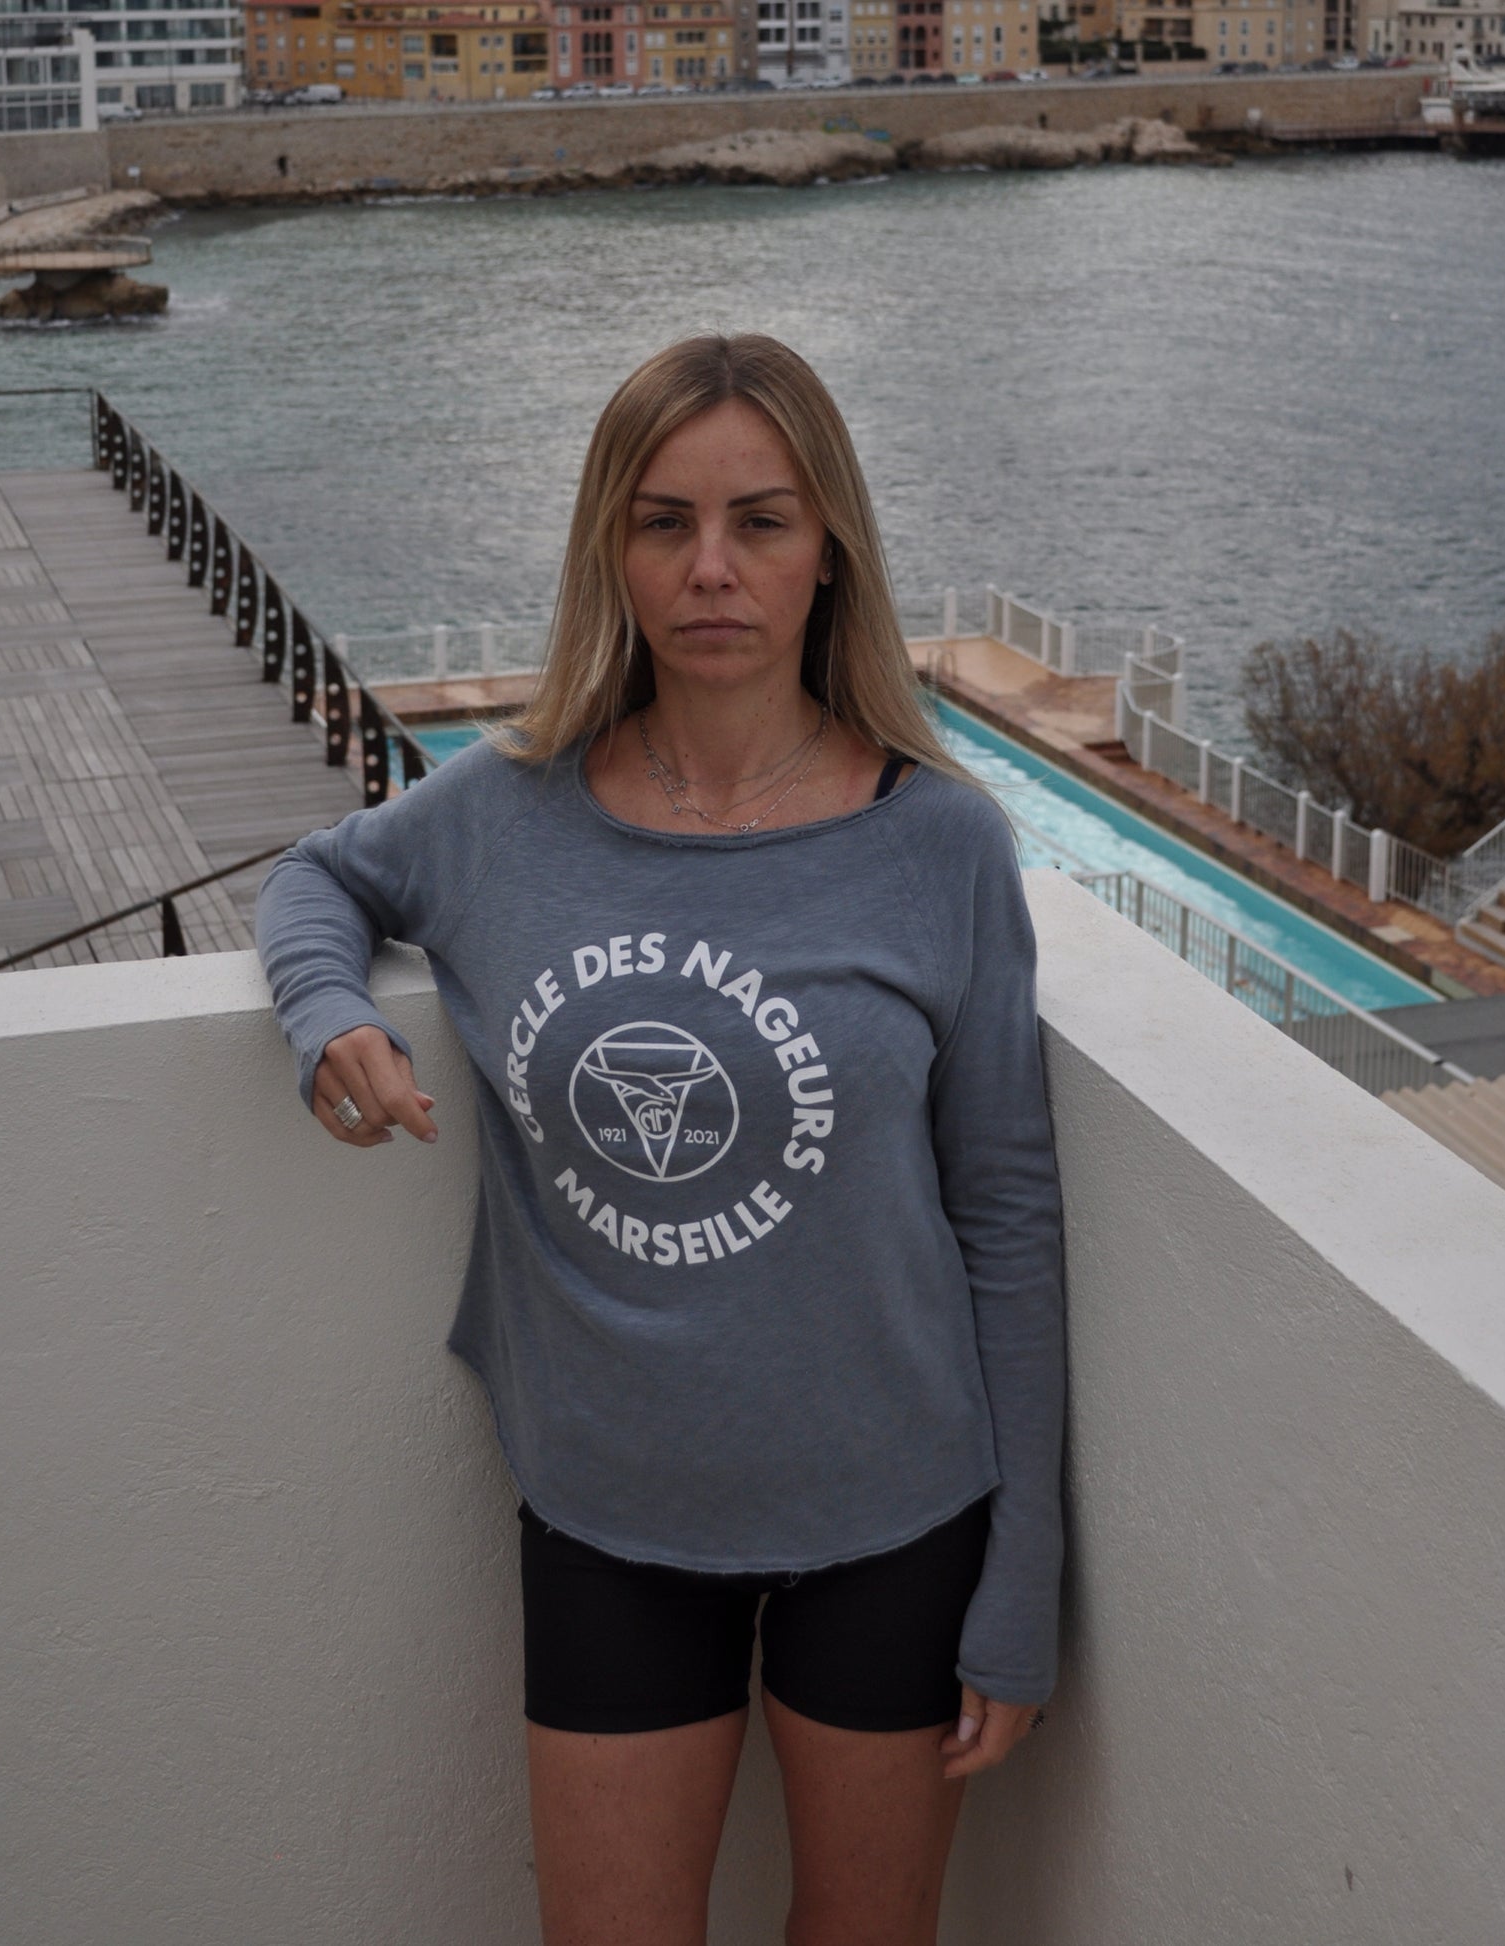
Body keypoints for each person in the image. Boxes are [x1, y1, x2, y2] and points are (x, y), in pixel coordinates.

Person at [254, 332, 1067, 1946]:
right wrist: (330, 1014)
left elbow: (1006, 1209)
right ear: (607, 553)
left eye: (759, 522)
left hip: (897, 1509)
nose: (710, 569)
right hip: (607, 1510)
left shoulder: (941, 842)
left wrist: (1024, 1572)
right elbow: (318, 876)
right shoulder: (508, 808)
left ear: (827, 551)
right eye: (662, 523)